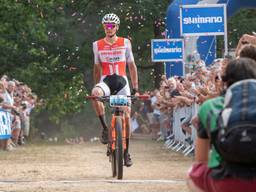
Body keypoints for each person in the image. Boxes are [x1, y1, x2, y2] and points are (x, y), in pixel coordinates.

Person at [187, 58, 256, 192]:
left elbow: (201, 160)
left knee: (191, 173)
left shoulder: (209, 106)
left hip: (225, 179)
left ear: (225, 81)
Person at [91, 13, 138, 167]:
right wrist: (97, 86)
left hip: (122, 82)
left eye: (111, 25)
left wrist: (135, 88)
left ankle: (126, 152)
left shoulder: (125, 42)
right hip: (106, 81)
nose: (108, 28)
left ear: (117, 27)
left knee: (126, 113)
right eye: (106, 25)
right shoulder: (97, 44)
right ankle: (105, 128)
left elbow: (131, 66)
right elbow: (97, 68)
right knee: (94, 94)